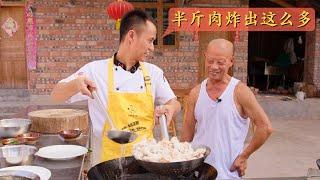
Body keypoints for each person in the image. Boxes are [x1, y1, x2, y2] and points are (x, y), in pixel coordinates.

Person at [51, 9, 180, 166]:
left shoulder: (154, 73)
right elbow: (56, 95)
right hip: (106, 164)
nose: (152, 48)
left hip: (146, 162)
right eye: (150, 40)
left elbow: (174, 102)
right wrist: (75, 84)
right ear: (131, 36)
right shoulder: (95, 70)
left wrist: (170, 108)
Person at [181, 39, 273, 179]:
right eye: (210, 61)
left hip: (228, 173)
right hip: (198, 172)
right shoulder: (196, 93)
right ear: (205, 57)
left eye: (220, 62)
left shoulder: (240, 92)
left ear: (231, 61)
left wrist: (244, 156)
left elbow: (265, 127)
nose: (214, 67)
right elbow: (187, 133)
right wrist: (181, 163)